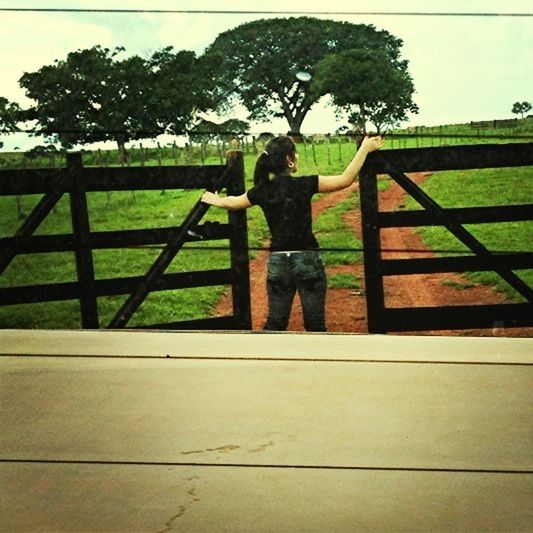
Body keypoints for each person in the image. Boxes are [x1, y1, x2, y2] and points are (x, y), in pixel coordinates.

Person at [201, 134, 383, 331]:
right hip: (308, 259)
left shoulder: (262, 190)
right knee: (315, 325)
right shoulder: (305, 184)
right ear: (289, 159)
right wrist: (364, 148)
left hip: (278, 263)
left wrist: (215, 200)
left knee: (275, 323)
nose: (298, 157)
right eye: (295, 154)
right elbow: (345, 180)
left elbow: (233, 203)